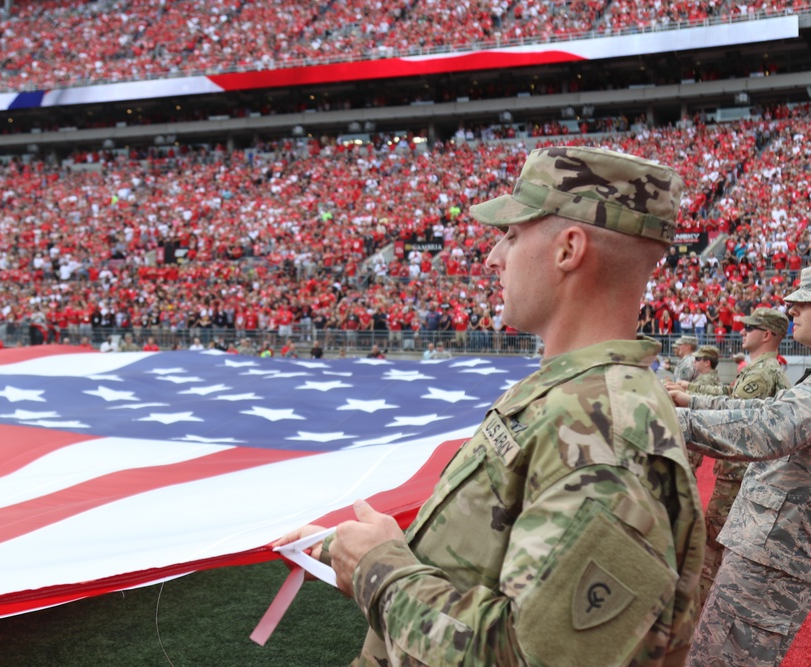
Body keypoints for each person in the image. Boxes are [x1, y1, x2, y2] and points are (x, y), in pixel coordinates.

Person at [276, 146, 703, 666]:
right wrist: (359, 552)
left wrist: (377, 568)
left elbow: (532, 657)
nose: (493, 256)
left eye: (512, 234)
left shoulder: (602, 429)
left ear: (568, 249)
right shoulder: (570, 398)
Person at [669, 284, 811, 667]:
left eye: (805, 302)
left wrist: (667, 420)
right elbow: (758, 410)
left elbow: (767, 426)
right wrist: (693, 403)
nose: (792, 309)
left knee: (720, 658)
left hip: (777, 554)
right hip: (771, 547)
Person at [670, 308, 791, 609]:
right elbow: (730, 396)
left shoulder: (763, 372)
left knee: (714, 544)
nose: (742, 331)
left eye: (749, 328)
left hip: (737, 471)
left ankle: (700, 614)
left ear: (766, 335)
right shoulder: (758, 369)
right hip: (738, 470)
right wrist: (691, 392)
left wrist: (689, 408)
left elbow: (735, 414)